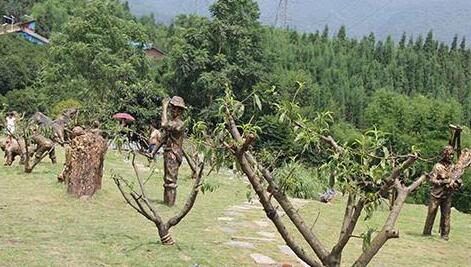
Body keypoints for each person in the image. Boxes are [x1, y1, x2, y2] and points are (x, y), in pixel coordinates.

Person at [422, 145, 458, 240]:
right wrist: (442, 182)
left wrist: (457, 183)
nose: (451, 156)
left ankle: (445, 235)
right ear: (445, 155)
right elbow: (432, 180)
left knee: (446, 214)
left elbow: (455, 179)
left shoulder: (453, 167)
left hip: (448, 194)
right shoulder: (437, 166)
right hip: (436, 194)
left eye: (452, 155)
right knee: (432, 212)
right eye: (450, 154)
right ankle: (427, 232)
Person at [161, 96, 186, 206]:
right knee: (167, 180)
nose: (171, 110)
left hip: (174, 154)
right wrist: (152, 152)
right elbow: (164, 139)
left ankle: (170, 204)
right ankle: (166, 203)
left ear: (180, 110)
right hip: (168, 153)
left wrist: (164, 107)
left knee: (171, 181)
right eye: (171, 107)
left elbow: (164, 125)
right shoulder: (172, 124)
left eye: (173, 108)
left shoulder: (179, 124)